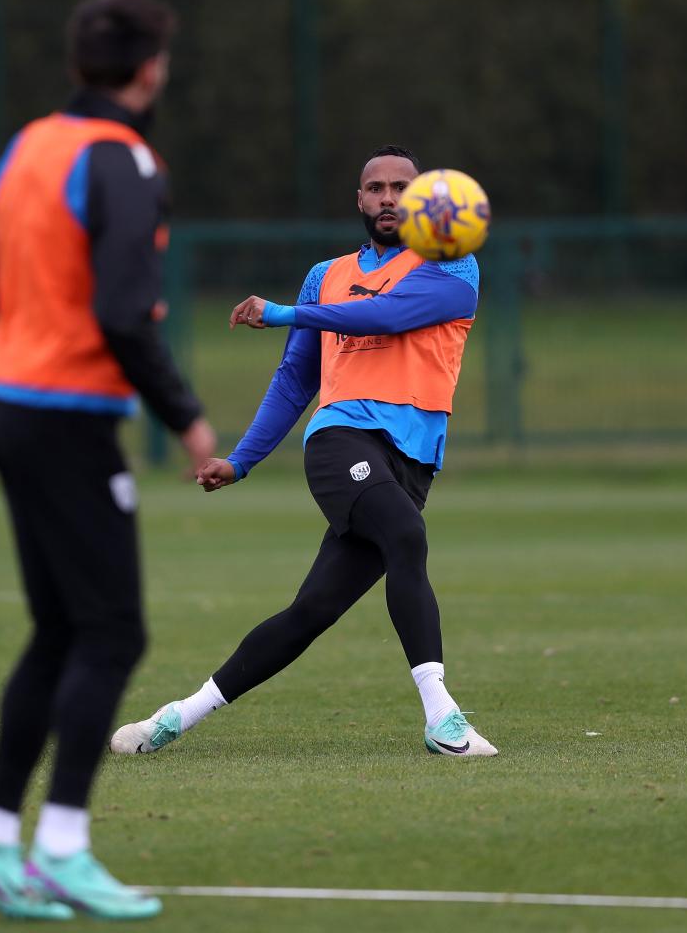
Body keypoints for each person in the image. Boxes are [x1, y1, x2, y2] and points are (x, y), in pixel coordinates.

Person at [0, 0, 215, 922]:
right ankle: (60, 845)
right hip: (65, 417)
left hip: (7, 402)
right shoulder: (126, 157)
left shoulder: (30, 144)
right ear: (150, 69)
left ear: (76, 65)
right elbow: (119, 313)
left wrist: (37, 329)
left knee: (62, 629)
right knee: (112, 631)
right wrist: (184, 414)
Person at [112, 145, 499, 761]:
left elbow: (387, 315)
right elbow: (296, 379)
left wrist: (283, 313)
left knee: (311, 612)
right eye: (375, 187)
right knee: (405, 537)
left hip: (413, 460)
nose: (389, 197)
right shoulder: (325, 275)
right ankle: (442, 716)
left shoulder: (454, 269)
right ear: (360, 200)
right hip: (341, 440)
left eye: (403, 186)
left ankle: (178, 716)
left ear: (426, 199)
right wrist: (242, 459)